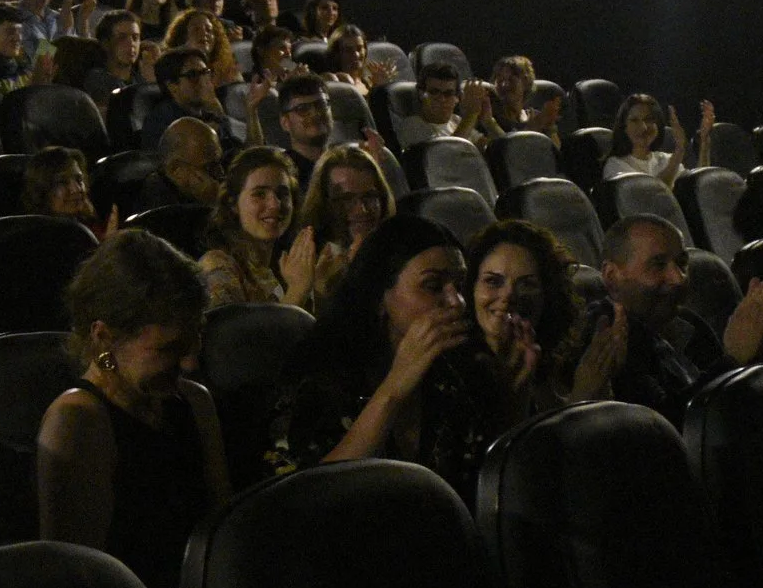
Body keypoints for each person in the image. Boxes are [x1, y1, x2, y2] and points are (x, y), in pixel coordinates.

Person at [36, 231, 228, 588]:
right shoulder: (78, 421)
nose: (189, 363)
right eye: (168, 349)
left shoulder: (193, 402)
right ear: (104, 338)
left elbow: (221, 537)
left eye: (192, 343)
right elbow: (81, 587)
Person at [266, 214, 515, 500]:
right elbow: (305, 497)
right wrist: (393, 390)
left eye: (459, 285)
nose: (455, 301)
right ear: (379, 296)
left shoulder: (458, 369)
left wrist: (511, 391)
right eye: (433, 286)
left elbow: (488, 486)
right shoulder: (320, 374)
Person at [599, 214, 763, 422]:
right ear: (612, 276)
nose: (678, 278)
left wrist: (759, 336)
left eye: (682, 264)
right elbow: (664, 427)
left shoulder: (689, 324)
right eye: (658, 264)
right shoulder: (606, 338)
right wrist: (733, 358)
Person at [467, 219, 624, 413]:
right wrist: (582, 403)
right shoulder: (458, 374)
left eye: (527, 284)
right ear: (471, 289)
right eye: (493, 281)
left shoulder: (553, 365)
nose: (508, 295)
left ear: (547, 295)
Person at [199, 147, 331, 309]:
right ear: (233, 204)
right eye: (260, 194)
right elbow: (235, 334)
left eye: (282, 194)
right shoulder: (218, 266)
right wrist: (297, 290)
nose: (275, 204)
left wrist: (319, 290)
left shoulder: (284, 265)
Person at [293, 146, 394, 297]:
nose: (362, 210)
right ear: (323, 203)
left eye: (370, 197)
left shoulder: (399, 254)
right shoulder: (305, 267)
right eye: (346, 199)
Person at [261, 71, 338, 192]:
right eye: (302, 109)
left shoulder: (346, 162)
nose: (315, 114)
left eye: (321, 104)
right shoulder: (280, 174)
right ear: (285, 123)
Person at [603, 93, 704, 184]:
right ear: (624, 127)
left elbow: (697, 187)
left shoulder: (666, 160)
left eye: (649, 119)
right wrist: (678, 152)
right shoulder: (615, 165)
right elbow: (654, 196)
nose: (644, 127)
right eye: (634, 120)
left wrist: (705, 142)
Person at [138, 118, 227, 210]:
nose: (221, 172)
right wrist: (214, 204)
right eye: (209, 167)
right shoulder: (159, 205)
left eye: (219, 162)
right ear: (176, 170)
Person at [23, 146, 106, 234]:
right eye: (62, 182)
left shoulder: (89, 224)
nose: (76, 189)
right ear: (42, 190)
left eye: (79, 179)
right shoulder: (32, 234)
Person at [147, 46, 227, 137]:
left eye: (205, 72)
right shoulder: (161, 123)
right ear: (172, 86)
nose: (203, 81)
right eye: (193, 75)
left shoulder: (211, 114)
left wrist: (220, 115)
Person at [490, 56, 536, 130]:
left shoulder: (536, 119)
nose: (504, 85)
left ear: (526, 82)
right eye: (500, 80)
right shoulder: (487, 118)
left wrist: (550, 128)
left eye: (511, 80)